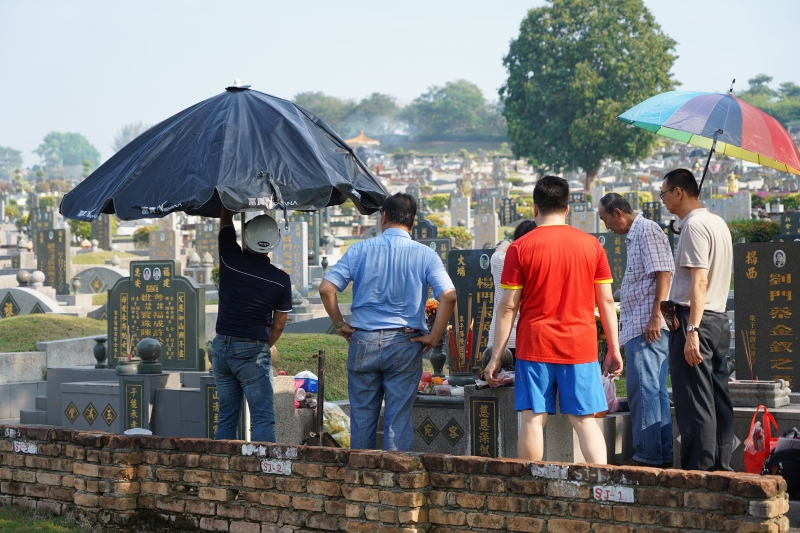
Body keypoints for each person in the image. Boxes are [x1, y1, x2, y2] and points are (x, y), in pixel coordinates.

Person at [485, 176, 623, 463]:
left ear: (535, 208)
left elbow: (508, 307)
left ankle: (531, 490)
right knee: (585, 422)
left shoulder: (518, 248)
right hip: (580, 347)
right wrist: (614, 348)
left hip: (535, 346)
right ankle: (602, 488)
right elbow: (607, 301)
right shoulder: (591, 246)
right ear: (567, 208)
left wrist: (497, 355)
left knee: (533, 421)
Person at [319, 193, 456, 451]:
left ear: (383, 217)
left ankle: (361, 483)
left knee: (361, 421)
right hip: (405, 342)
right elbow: (449, 296)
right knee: (397, 420)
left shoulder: (359, 250)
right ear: (412, 223)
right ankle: (394, 484)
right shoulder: (425, 255)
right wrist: (435, 336)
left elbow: (327, 288)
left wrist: (339, 324)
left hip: (363, 339)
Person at [660, 168, 734, 471]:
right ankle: (720, 467)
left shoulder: (695, 226)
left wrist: (691, 329)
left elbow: (698, 281)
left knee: (694, 401)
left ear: (679, 192)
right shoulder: (716, 222)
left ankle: (699, 472)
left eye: (664, 193)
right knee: (717, 396)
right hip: (717, 319)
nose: (663, 200)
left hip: (695, 320)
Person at [598, 193, 674, 467]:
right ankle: (660, 455)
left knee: (644, 390)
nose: (606, 226)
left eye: (606, 219)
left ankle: (648, 455)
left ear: (618, 213)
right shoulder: (635, 235)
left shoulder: (647, 230)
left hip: (648, 326)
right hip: (638, 326)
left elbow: (663, 273)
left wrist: (656, 316)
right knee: (651, 391)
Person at [210, 207, 292, 443]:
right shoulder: (280, 280)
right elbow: (279, 326)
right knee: (263, 418)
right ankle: (262, 475)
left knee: (226, 416)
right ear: (274, 243)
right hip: (252, 350)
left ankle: (220, 471)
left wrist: (228, 206)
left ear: (245, 237)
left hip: (220, 348)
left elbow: (225, 222)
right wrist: (263, 347)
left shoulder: (229, 259)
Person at [487, 220, 537, 357]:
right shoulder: (536, 263)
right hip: (527, 339)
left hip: (498, 338)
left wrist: (509, 241)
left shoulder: (501, 260)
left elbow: (499, 252)